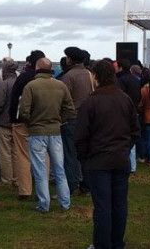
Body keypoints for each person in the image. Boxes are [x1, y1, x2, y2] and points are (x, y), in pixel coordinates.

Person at [75, 60, 140, 249]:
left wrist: (85, 158)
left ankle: (103, 244)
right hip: (119, 159)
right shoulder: (124, 99)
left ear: (96, 76)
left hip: (99, 161)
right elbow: (135, 131)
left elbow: (81, 136)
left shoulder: (91, 102)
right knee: (119, 204)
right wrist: (124, 149)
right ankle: (116, 242)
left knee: (104, 206)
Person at [19, 57, 75, 213]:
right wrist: (59, 120)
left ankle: (44, 204)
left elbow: (24, 111)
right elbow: (70, 109)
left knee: (40, 170)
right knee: (59, 169)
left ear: (37, 69)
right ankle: (65, 203)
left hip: (37, 132)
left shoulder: (30, 86)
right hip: (56, 132)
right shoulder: (61, 85)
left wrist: (31, 122)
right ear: (51, 69)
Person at [8, 49, 45, 199]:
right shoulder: (51, 80)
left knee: (23, 155)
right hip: (42, 121)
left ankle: (25, 190)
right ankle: (42, 189)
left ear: (30, 62)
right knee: (43, 155)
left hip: (22, 122)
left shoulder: (23, 77)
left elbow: (14, 98)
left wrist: (12, 119)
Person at [61, 46, 94, 194]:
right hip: (88, 118)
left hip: (72, 119)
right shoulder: (89, 74)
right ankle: (86, 185)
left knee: (70, 154)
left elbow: (63, 99)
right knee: (85, 153)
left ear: (71, 59)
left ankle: (71, 185)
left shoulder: (68, 76)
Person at [0, 58, 18, 186]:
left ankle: (7, 179)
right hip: (18, 122)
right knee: (16, 151)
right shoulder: (20, 82)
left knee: (5, 152)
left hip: (4, 122)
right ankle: (17, 178)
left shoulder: (4, 84)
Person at [116, 59, 141, 172]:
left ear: (120, 67)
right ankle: (132, 166)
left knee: (124, 138)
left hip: (124, 112)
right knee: (132, 138)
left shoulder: (121, 80)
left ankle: (126, 163)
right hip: (134, 111)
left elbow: (120, 98)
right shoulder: (136, 80)